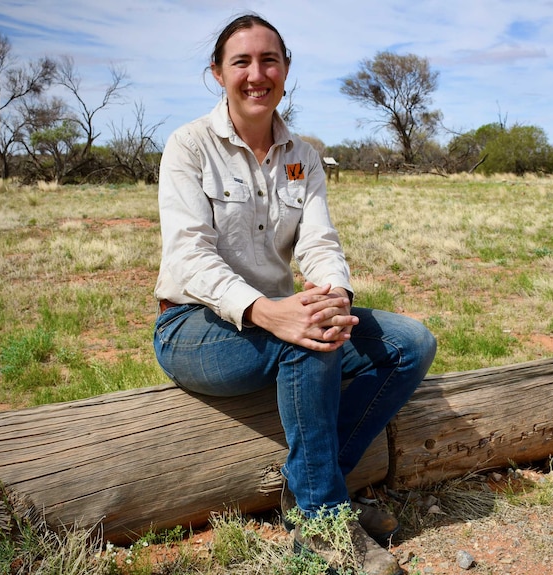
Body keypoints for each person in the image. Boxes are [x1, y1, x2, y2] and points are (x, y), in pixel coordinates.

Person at [152, 13, 436, 575]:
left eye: (269, 60)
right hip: (195, 325)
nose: (257, 74)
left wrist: (335, 296)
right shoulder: (188, 146)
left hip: (284, 315)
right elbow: (189, 257)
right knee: (304, 339)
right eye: (242, 61)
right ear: (217, 73)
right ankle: (324, 523)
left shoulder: (303, 155)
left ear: (285, 70)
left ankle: (306, 482)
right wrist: (267, 310)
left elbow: (320, 243)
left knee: (411, 343)